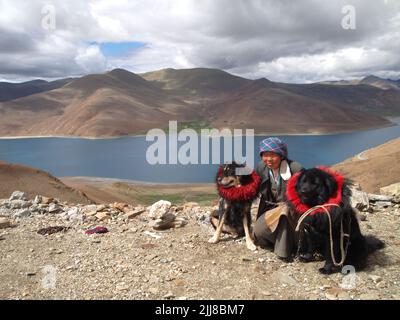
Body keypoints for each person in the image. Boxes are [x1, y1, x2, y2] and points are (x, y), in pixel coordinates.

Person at [252, 137, 303, 261]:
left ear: (281, 155)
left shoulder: (295, 168)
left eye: (272, 155)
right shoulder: (261, 168)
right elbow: (253, 187)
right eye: (264, 155)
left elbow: (306, 193)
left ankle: (283, 252)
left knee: (284, 212)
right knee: (258, 232)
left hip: (293, 211)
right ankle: (288, 243)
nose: (268, 159)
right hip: (271, 209)